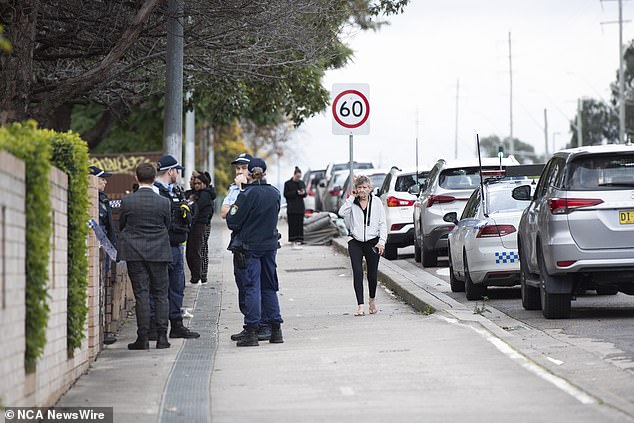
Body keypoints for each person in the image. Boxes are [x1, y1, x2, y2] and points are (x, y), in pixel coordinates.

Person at [227, 158, 284, 347]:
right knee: (269, 286)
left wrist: (240, 193)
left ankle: (251, 331)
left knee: (251, 287)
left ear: (249, 173)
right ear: (265, 173)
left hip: (249, 247)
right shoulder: (275, 193)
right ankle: (275, 329)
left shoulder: (246, 194)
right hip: (269, 245)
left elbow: (232, 221)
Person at [117, 163, 172, 350]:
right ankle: (162, 337)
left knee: (142, 294)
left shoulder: (127, 201)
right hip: (159, 252)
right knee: (161, 295)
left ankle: (143, 338)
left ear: (136, 178)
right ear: (155, 177)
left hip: (135, 252)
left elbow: (122, 225)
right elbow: (167, 225)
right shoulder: (164, 202)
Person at [153, 154, 200, 339]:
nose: (179, 174)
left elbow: (186, 216)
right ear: (171, 171)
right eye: (177, 170)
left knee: (177, 287)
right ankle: (157, 327)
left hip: (177, 244)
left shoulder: (176, 190)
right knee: (160, 288)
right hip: (163, 245)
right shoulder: (156, 191)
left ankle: (176, 324)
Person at [338, 175, 387, 316]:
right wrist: (351, 198)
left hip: (373, 242)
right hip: (355, 242)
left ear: (370, 188)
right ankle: (360, 305)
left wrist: (381, 241)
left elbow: (382, 223)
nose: (362, 190)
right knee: (357, 273)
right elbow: (341, 213)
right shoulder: (352, 203)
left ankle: (371, 300)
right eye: (359, 187)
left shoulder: (377, 202)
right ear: (356, 189)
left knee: (372, 275)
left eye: (365, 187)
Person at [89, 165, 117, 345]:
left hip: (105, 251)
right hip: (95, 252)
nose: (105, 181)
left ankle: (103, 330)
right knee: (97, 289)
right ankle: (100, 332)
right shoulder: (91, 201)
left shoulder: (103, 199)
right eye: (102, 179)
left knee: (103, 288)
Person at [186, 171, 216, 284]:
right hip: (196, 224)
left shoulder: (205, 195)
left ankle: (199, 276)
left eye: (199, 183)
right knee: (195, 250)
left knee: (198, 251)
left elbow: (198, 208)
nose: (196, 184)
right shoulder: (197, 194)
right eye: (195, 182)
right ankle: (199, 275)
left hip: (201, 224)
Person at [283, 166, 307, 249]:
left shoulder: (301, 183)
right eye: (297, 177)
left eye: (299, 177)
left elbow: (305, 194)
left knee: (300, 224)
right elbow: (286, 194)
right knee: (292, 224)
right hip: (292, 208)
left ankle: (300, 239)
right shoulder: (287, 183)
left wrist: (303, 193)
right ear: (294, 175)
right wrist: (296, 193)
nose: (298, 178)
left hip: (300, 207)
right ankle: (292, 239)